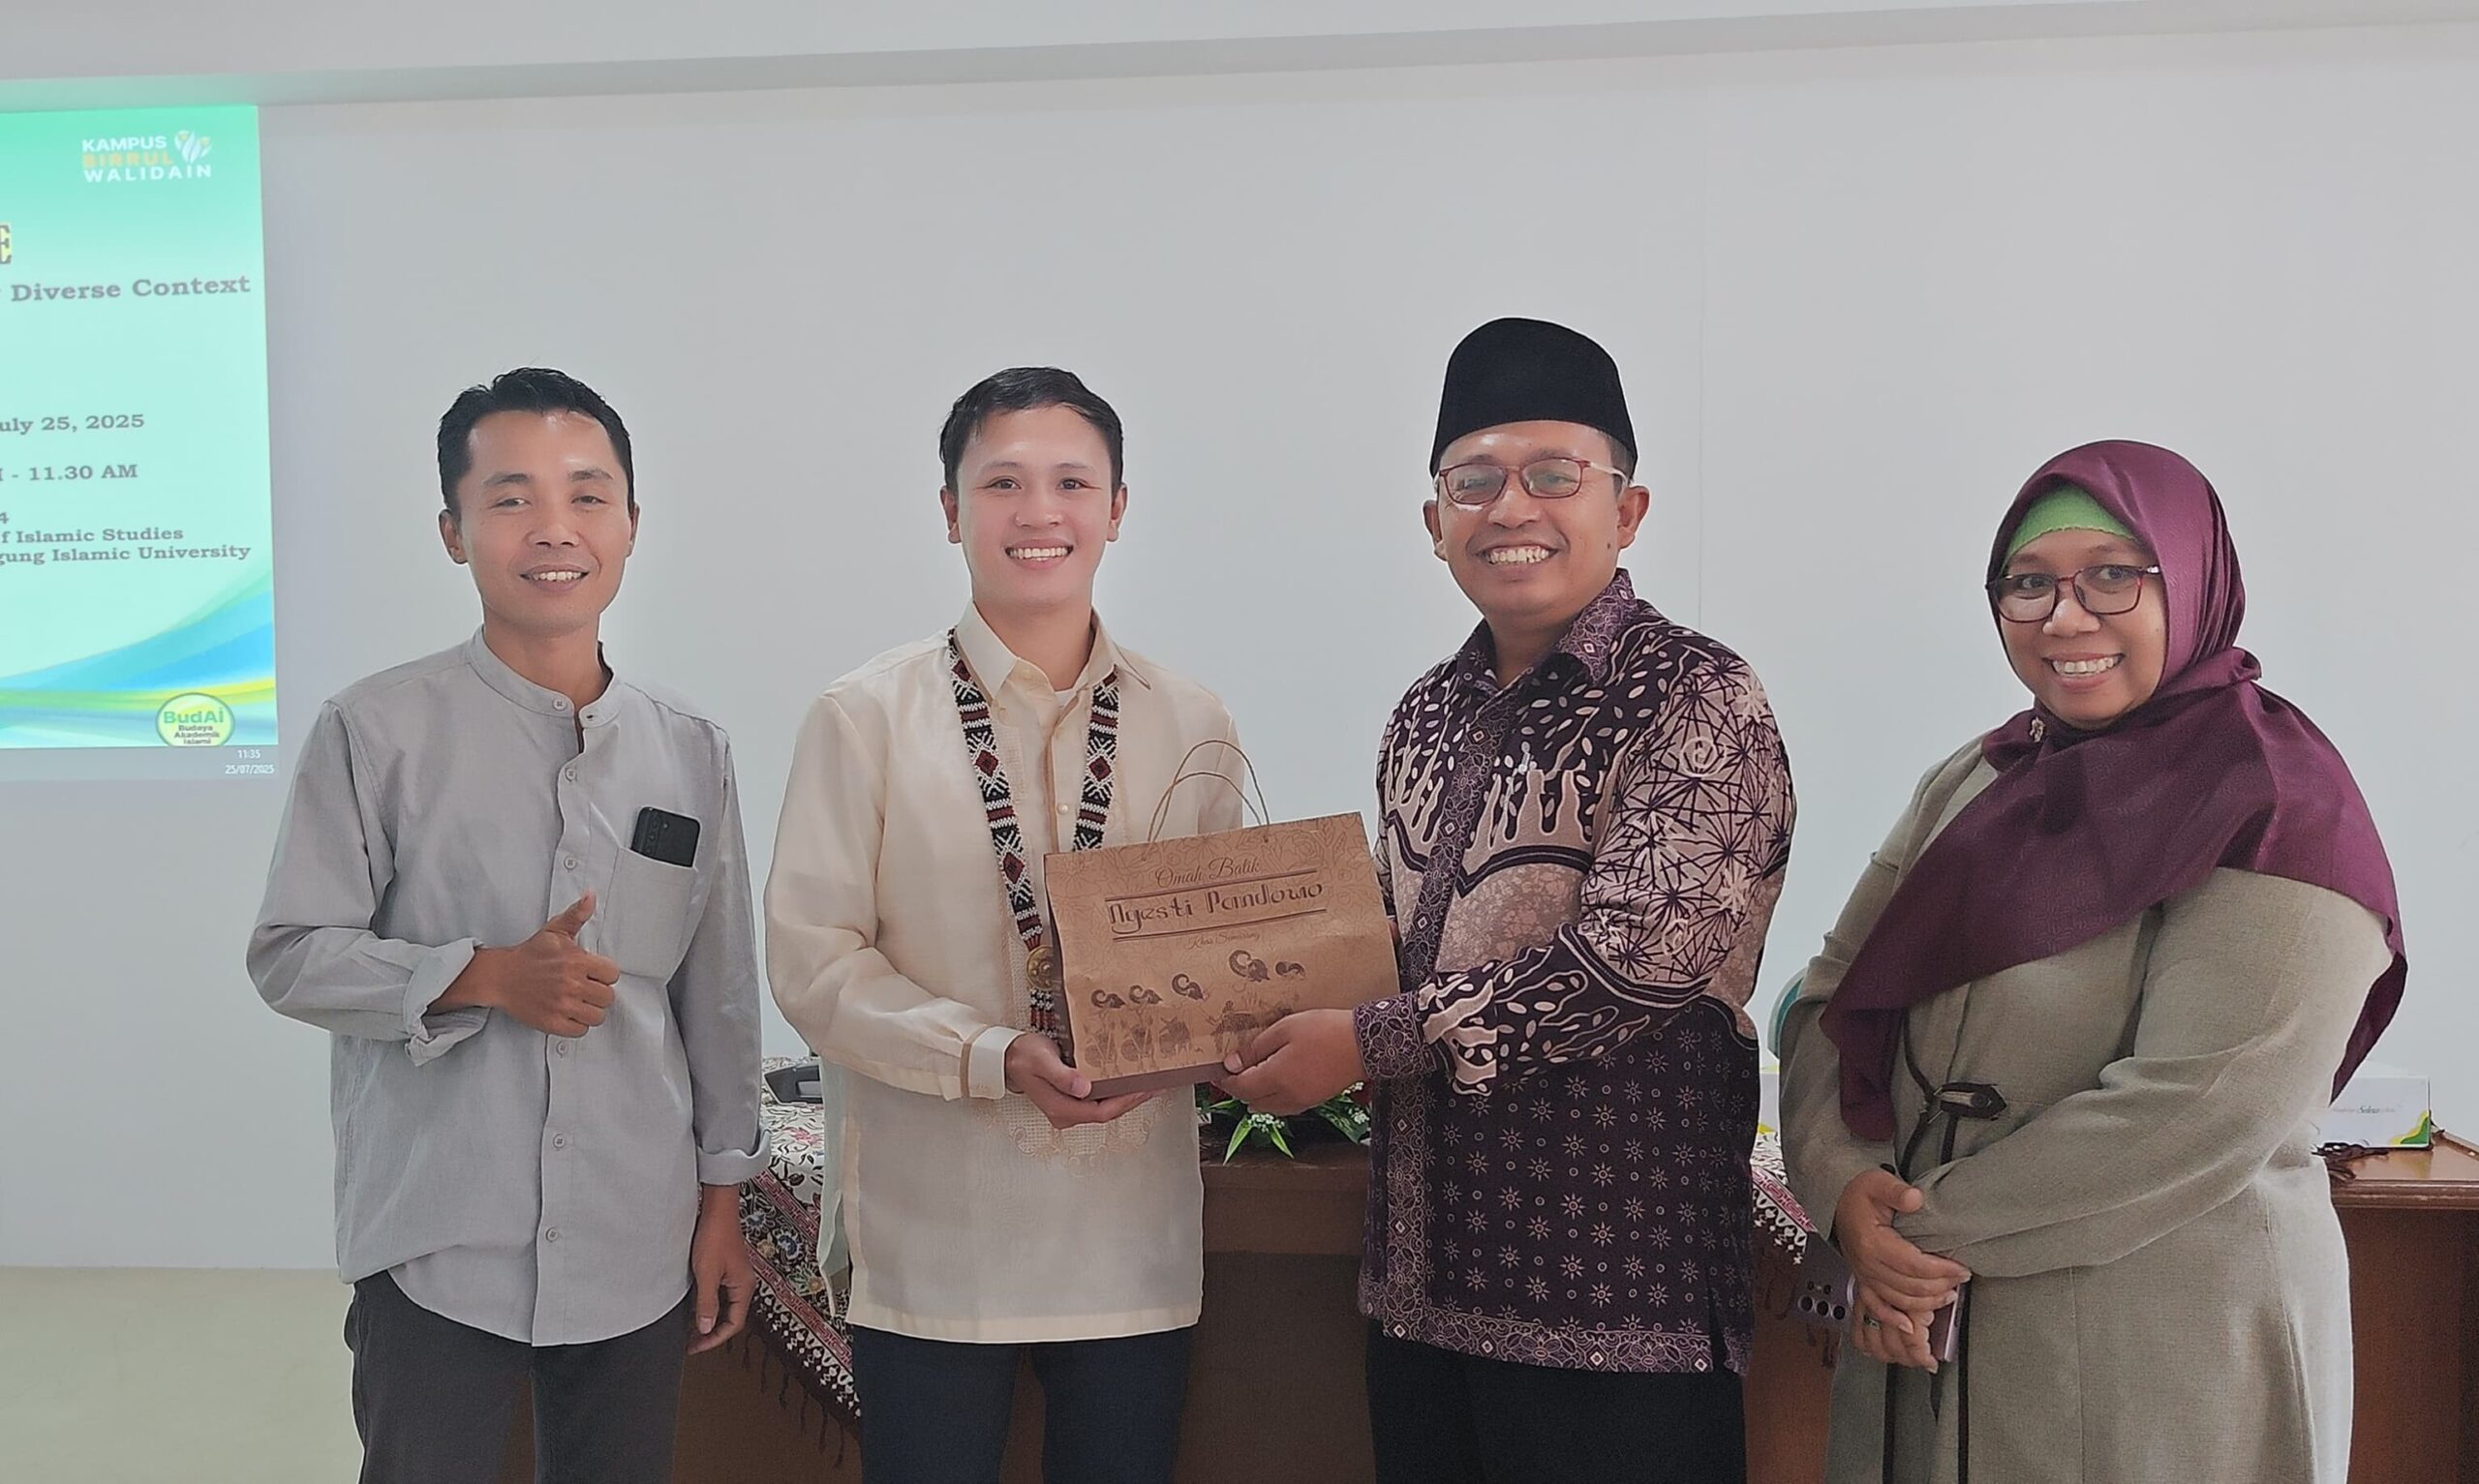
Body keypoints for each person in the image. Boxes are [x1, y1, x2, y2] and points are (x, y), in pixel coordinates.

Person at [1223, 318, 1796, 1484]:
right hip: (1423, 1294)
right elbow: (1383, 948)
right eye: (1473, 481)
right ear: (1434, 523)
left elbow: (1634, 963)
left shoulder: (1696, 695)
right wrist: (1215, 1005)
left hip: (1616, 1306)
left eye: (1553, 475)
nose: (1510, 508)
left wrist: (1363, 1041)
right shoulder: (1422, 715)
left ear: (1626, 509)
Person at [1777, 439, 2406, 1484]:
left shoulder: (2278, 805)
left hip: (2155, 1336)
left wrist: (1912, 1240)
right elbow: (1831, 993)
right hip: (1924, 1322)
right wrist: (1844, 1186)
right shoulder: (1980, 777)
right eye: (2029, 584)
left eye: (2114, 575)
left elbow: (2204, 1103)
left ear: (2192, 578)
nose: (2065, 619)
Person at [248, 367, 767, 1484]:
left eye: (587, 495)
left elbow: (718, 995)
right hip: (437, 1237)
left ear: (631, 524)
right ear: (454, 531)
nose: (553, 528)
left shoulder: (690, 749)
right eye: (511, 497)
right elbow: (291, 955)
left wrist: (723, 1200)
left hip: (635, 1234)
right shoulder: (375, 731)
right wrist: (480, 975)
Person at [765, 366, 1245, 1484]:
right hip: (934, 1241)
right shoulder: (863, 718)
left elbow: (1217, 962)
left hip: (1129, 1241)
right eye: (1002, 484)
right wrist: (989, 1053)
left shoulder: (1191, 722)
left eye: (1072, 482)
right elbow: (812, 962)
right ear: (951, 511)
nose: (1040, 513)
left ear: (1116, 509)